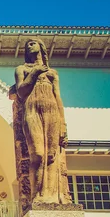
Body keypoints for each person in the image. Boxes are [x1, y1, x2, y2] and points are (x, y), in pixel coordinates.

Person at [14, 38, 71, 204]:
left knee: (52, 155)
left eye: (33, 43)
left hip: (52, 112)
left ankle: (52, 197)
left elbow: (58, 98)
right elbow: (21, 92)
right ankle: (37, 195)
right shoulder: (22, 69)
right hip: (32, 111)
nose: (30, 46)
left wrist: (63, 125)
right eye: (27, 45)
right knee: (38, 154)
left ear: (41, 47)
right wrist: (34, 73)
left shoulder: (52, 73)